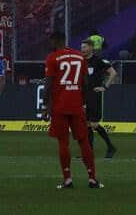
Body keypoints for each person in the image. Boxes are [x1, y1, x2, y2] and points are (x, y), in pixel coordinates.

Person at [43, 31, 100, 190]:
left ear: (55, 41)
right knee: (84, 141)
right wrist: (85, 103)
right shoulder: (79, 56)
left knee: (63, 142)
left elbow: (48, 85)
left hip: (60, 106)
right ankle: (92, 179)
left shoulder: (52, 58)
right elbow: (86, 83)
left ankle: (67, 180)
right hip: (76, 105)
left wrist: (44, 106)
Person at [80, 39, 117, 159]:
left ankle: (110, 147)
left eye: (85, 47)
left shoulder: (99, 60)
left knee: (94, 124)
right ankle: (88, 152)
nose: (83, 49)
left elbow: (113, 73)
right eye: (82, 47)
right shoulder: (80, 61)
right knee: (86, 125)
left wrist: (105, 87)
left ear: (91, 47)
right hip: (83, 95)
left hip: (94, 95)